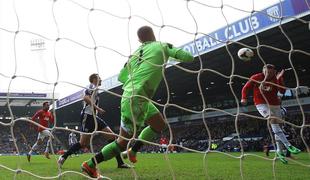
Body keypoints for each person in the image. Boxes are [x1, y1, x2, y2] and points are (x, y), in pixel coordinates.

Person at [80, 26, 194, 178]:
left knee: (159, 124)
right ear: (153, 34)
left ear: (139, 40)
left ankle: (133, 151)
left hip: (135, 96)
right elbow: (189, 57)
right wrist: (165, 57)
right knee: (122, 142)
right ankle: (90, 164)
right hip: (137, 97)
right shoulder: (162, 45)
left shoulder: (133, 56)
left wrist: (137, 76)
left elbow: (121, 77)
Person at [57, 73, 129, 169]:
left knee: (112, 137)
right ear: (94, 79)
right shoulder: (91, 86)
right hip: (88, 117)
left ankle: (120, 163)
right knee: (83, 144)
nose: (101, 79)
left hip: (95, 118)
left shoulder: (96, 89)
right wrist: (97, 108)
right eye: (99, 78)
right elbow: (85, 98)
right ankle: (63, 156)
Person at [241, 64, 301, 164]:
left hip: (275, 104)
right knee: (272, 119)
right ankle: (288, 145)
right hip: (261, 103)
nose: (267, 74)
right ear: (263, 71)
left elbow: (282, 91)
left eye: (269, 72)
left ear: (274, 72)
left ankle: (279, 151)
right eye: (265, 72)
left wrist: (280, 78)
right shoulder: (256, 77)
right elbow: (246, 87)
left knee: (279, 127)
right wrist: (244, 97)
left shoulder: (276, 79)